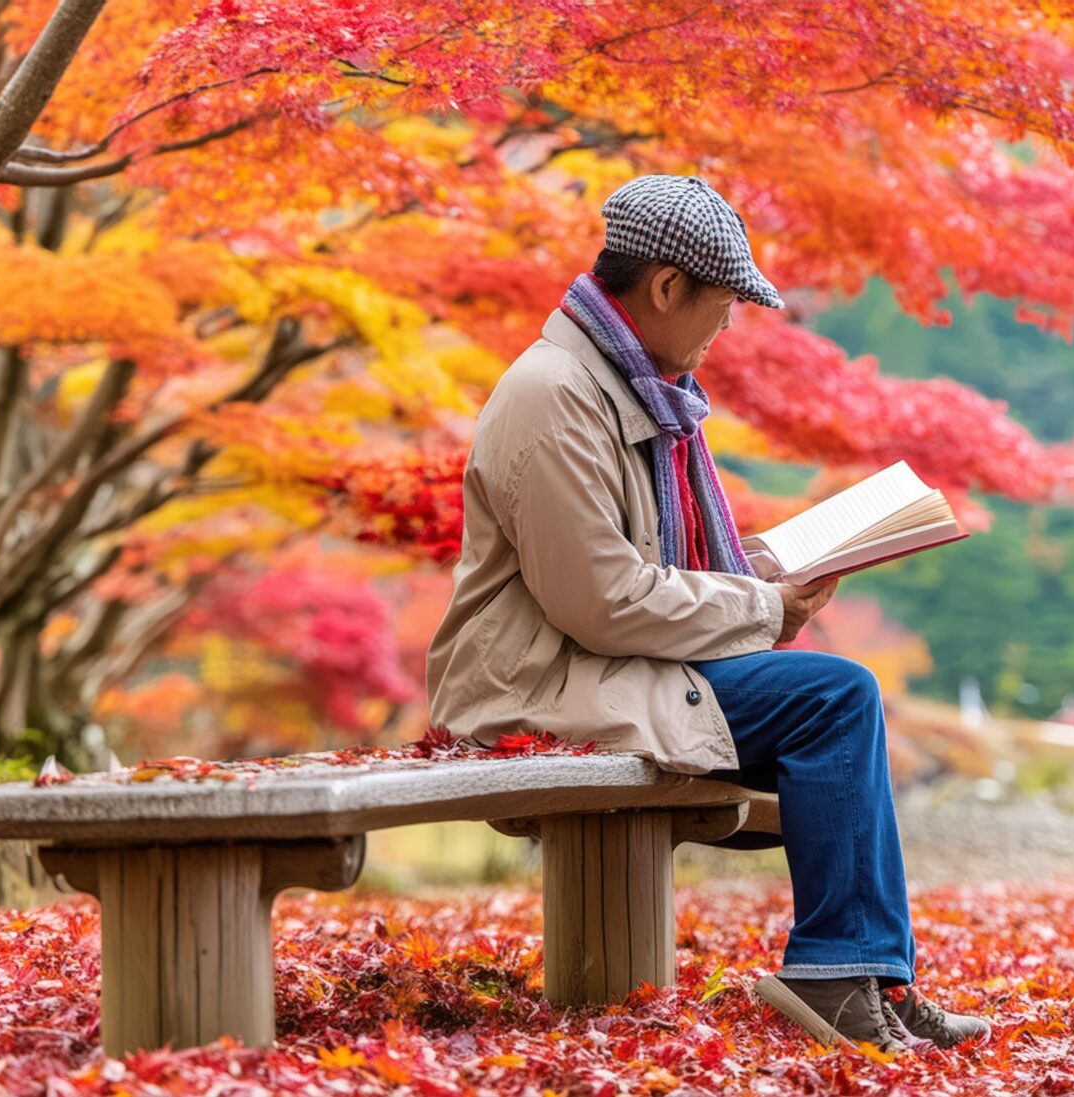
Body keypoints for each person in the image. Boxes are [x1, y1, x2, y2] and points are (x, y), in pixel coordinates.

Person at [424, 174, 989, 1054]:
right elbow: (603, 602)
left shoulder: (629, 387)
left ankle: (870, 972)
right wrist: (760, 605)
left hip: (600, 668)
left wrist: (761, 568)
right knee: (835, 699)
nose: (727, 330)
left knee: (837, 701)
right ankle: (844, 970)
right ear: (664, 287)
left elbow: (642, 569)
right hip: (540, 684)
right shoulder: (557, 394)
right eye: (723, 307)